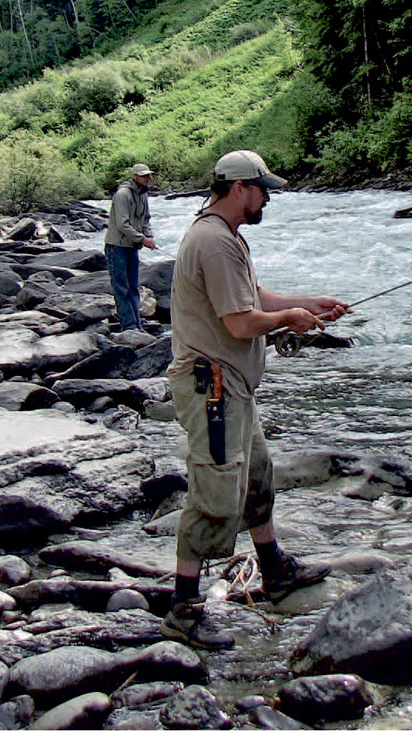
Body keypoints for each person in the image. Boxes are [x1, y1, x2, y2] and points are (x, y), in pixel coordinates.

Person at [160, 149, 352, 650]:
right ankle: (182, 610)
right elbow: (240, 323)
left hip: (231, 390)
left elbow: (250, 295)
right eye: (264, 189)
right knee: (215, 497)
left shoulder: (224, 237)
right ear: (241, 188)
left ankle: (274, 572)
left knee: (257, 479)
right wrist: (289, 320)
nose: (268, 197)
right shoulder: (214, 243)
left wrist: (304, 303)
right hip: (212, 392)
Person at [105, 163, 156, 332]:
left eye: (147, 175)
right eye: (143, 176)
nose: (146, 178)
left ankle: (137, 325)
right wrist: (142, 239)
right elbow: (122, 224)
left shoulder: (143, 194)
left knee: (133, 286)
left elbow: (146, 219)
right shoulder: (123, 194)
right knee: (121, 288)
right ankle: (128, 326)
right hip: (117, 246)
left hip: (132, 246)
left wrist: (149, 236)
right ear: (134, 176)